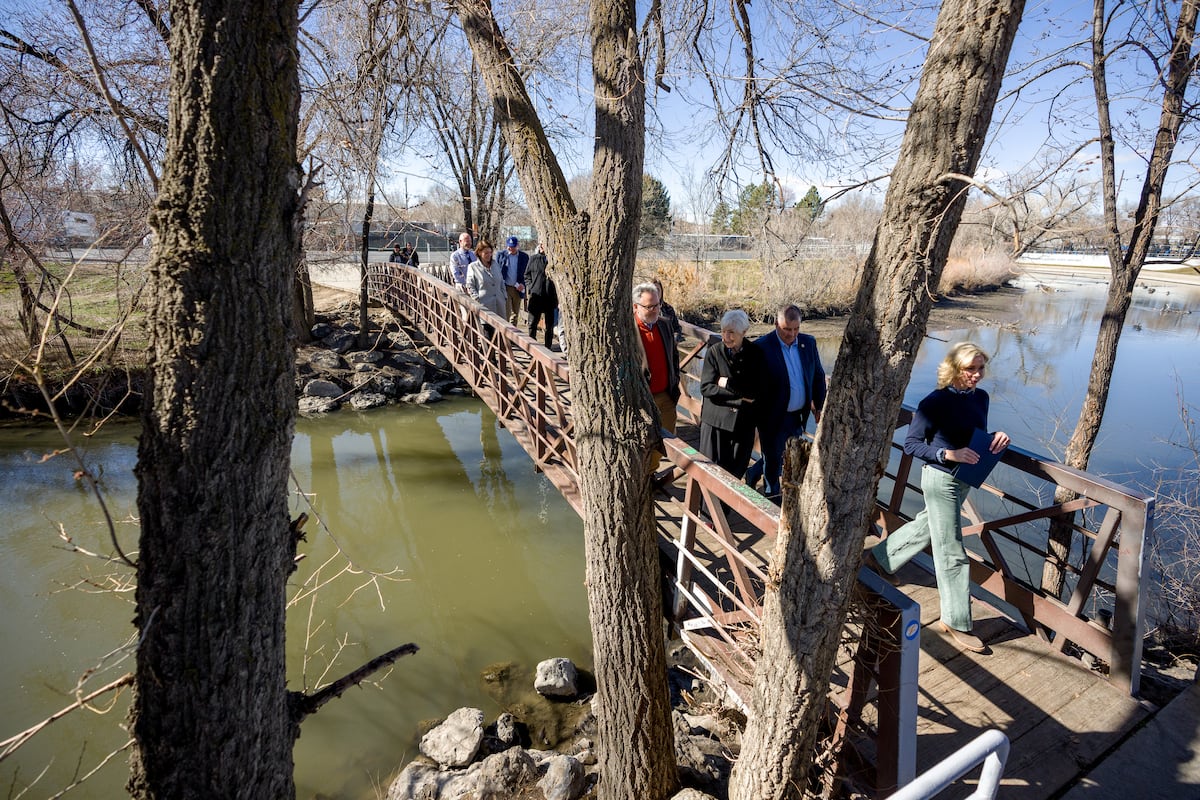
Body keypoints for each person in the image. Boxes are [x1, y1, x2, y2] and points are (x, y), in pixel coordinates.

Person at [863, 342, 1010, 654]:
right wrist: (947, 453)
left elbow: (973, 433)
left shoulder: (981, 398)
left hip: (966, 480)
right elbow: (912, 445)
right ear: (955, 368)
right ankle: (956, 620)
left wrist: (995, 437)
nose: (977, 375)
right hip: (940, 479)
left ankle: (880, 557)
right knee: (952, 549)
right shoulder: (935, 402)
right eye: (971, 369)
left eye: (981, 368)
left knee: (929, 525)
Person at [744, 304, 827, 500]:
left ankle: (754, 473)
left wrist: (820, 405)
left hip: (797, 414)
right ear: (776, 324)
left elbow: (817, 375)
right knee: (773, 461)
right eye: (787, 329)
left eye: (796, 329)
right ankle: (773, 500)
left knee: (787, 455)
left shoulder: (808, 343)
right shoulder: (762, 346)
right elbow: (751, 383)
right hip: (771, 414)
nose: (792, 334)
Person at [699, 309, 767, 480]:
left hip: (743, 425)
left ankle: (727, 508)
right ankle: (706, 508)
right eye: (723, 331)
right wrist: (739, 397)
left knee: (736, 472)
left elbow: (755, 392)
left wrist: (726, 383)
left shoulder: (756, 354)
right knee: (711, 472)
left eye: (731, 333)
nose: (726, 337)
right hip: (715, 423)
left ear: (744, 332)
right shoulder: (714, 352)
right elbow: (707, 388)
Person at [634, 282, 680, 437]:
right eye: (649, 307)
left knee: (668, 443)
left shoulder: (665, 324)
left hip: (666, 396)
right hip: (642, 400)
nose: (654, 310)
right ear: (636, 307)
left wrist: (675, 381)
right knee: (647, 445)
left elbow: (674, 357)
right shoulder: (627, 331)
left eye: (657, 305)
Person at [524, 242, 558, 350]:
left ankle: (548, 347)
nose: (544, 247)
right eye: (542, 245)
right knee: (532, 323)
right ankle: (532, 347)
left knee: (549, 326)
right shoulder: (533, 259)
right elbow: (527, 275)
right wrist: (531, 287)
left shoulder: (554, 259)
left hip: (550, 297)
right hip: (536, 296)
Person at [464, 239, 505, 318]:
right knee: (487, 329)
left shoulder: (495, 265)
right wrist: (477, 300)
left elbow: (501, 281)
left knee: (501, 328)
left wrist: (504, 296)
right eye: (486, 253)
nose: (489, 255)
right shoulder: (473, 267)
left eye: (490, 252)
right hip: (484, 306)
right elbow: (470, 285)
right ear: (479, 253)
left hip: (499, 304)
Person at [496, 236, 529, 326]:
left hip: (517, 288)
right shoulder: (501, 255)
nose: (511, 249)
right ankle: (505, 332)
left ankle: (513, 333)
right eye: (510, 246)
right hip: (505, 286)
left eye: (513, 247)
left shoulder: (524, 257)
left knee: (515, 312)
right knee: (506, 311)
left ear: (517, 246)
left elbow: (527, 273)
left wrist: (523, 284)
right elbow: (496, 270)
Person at [651, 278, 683, 342]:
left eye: (658, 290)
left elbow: (677, 328)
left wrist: (675, 338)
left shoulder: (668, 308)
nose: (656, 292)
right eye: (653, 290)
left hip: (668, 343)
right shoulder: (646, 308)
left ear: (661, 292)